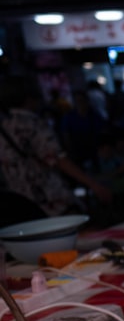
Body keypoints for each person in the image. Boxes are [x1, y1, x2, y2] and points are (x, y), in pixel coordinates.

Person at [0, 73, 112, 217]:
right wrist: (94, 185)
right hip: (49, 198)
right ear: (29, 97)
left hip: (21, 204)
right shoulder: (31, 122)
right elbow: (57, 158)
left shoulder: (3, 126)